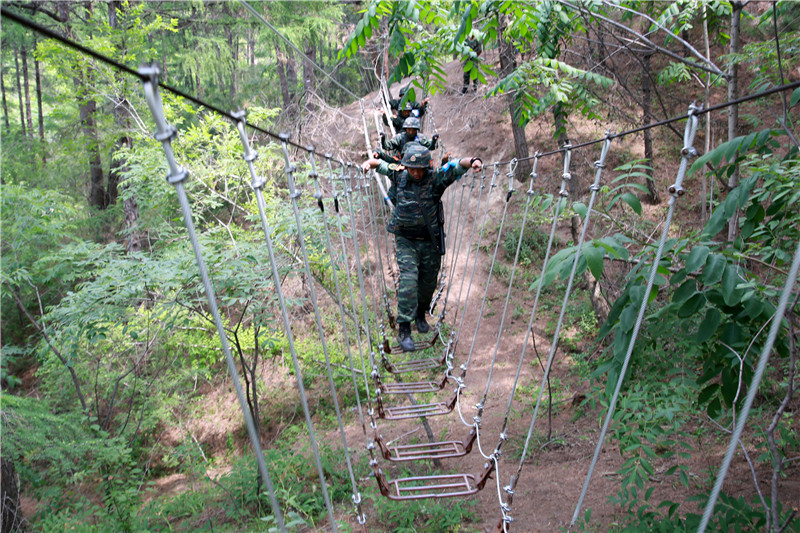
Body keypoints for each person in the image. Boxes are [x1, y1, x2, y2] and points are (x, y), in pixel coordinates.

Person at [362, 144, 483, 352]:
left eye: (420, 169)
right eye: (412, 168)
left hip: (430, 241)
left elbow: (455, 167)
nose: (416, 173)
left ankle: (420, 314)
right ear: (406, 166)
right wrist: (367, 164)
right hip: (406, 240)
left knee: (428, 283)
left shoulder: (436, 179)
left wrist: (472, 161)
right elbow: (380, 164)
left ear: (427, 168)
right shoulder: (399, 174)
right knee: (409, 279)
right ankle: (404, 328)